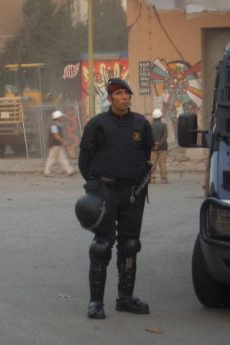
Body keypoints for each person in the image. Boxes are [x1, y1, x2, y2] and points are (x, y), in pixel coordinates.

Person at [78, 78, 154, 319]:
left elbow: (146, 153)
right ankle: (95, 302)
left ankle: (125, 298)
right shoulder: (97, 125)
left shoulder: (141, 124)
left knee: (130, 244)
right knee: (102, 246)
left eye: (127, 94)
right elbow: (85, 158)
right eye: (119, 94)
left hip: (133, 193)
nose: (125, 98)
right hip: (106, 191)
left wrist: (141, 183)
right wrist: (92, 183)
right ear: (110, 98)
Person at [44, 110, 75, 177]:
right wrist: (63, 142)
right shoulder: (54, 126)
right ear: (57, 118)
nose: (61, 118)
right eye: (60, 117)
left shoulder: (56, 125)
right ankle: (47, 172)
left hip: (57, 145)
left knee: (62, 159)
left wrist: (62, 142)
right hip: (55, 145)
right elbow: (56, 135)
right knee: (52, 159)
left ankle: (70, 171)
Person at [150, 108, 169, 184]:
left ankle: (152, 179)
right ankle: (164, 179)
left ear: (153, 117)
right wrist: (159, 144)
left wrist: (154, 144)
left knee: (152, 164)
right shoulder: (164, 125)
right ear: (160, 117)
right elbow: (165, 136)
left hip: (152, 148)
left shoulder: (149, 125)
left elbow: (149, 136)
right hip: (163, 147)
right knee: (162, 164)